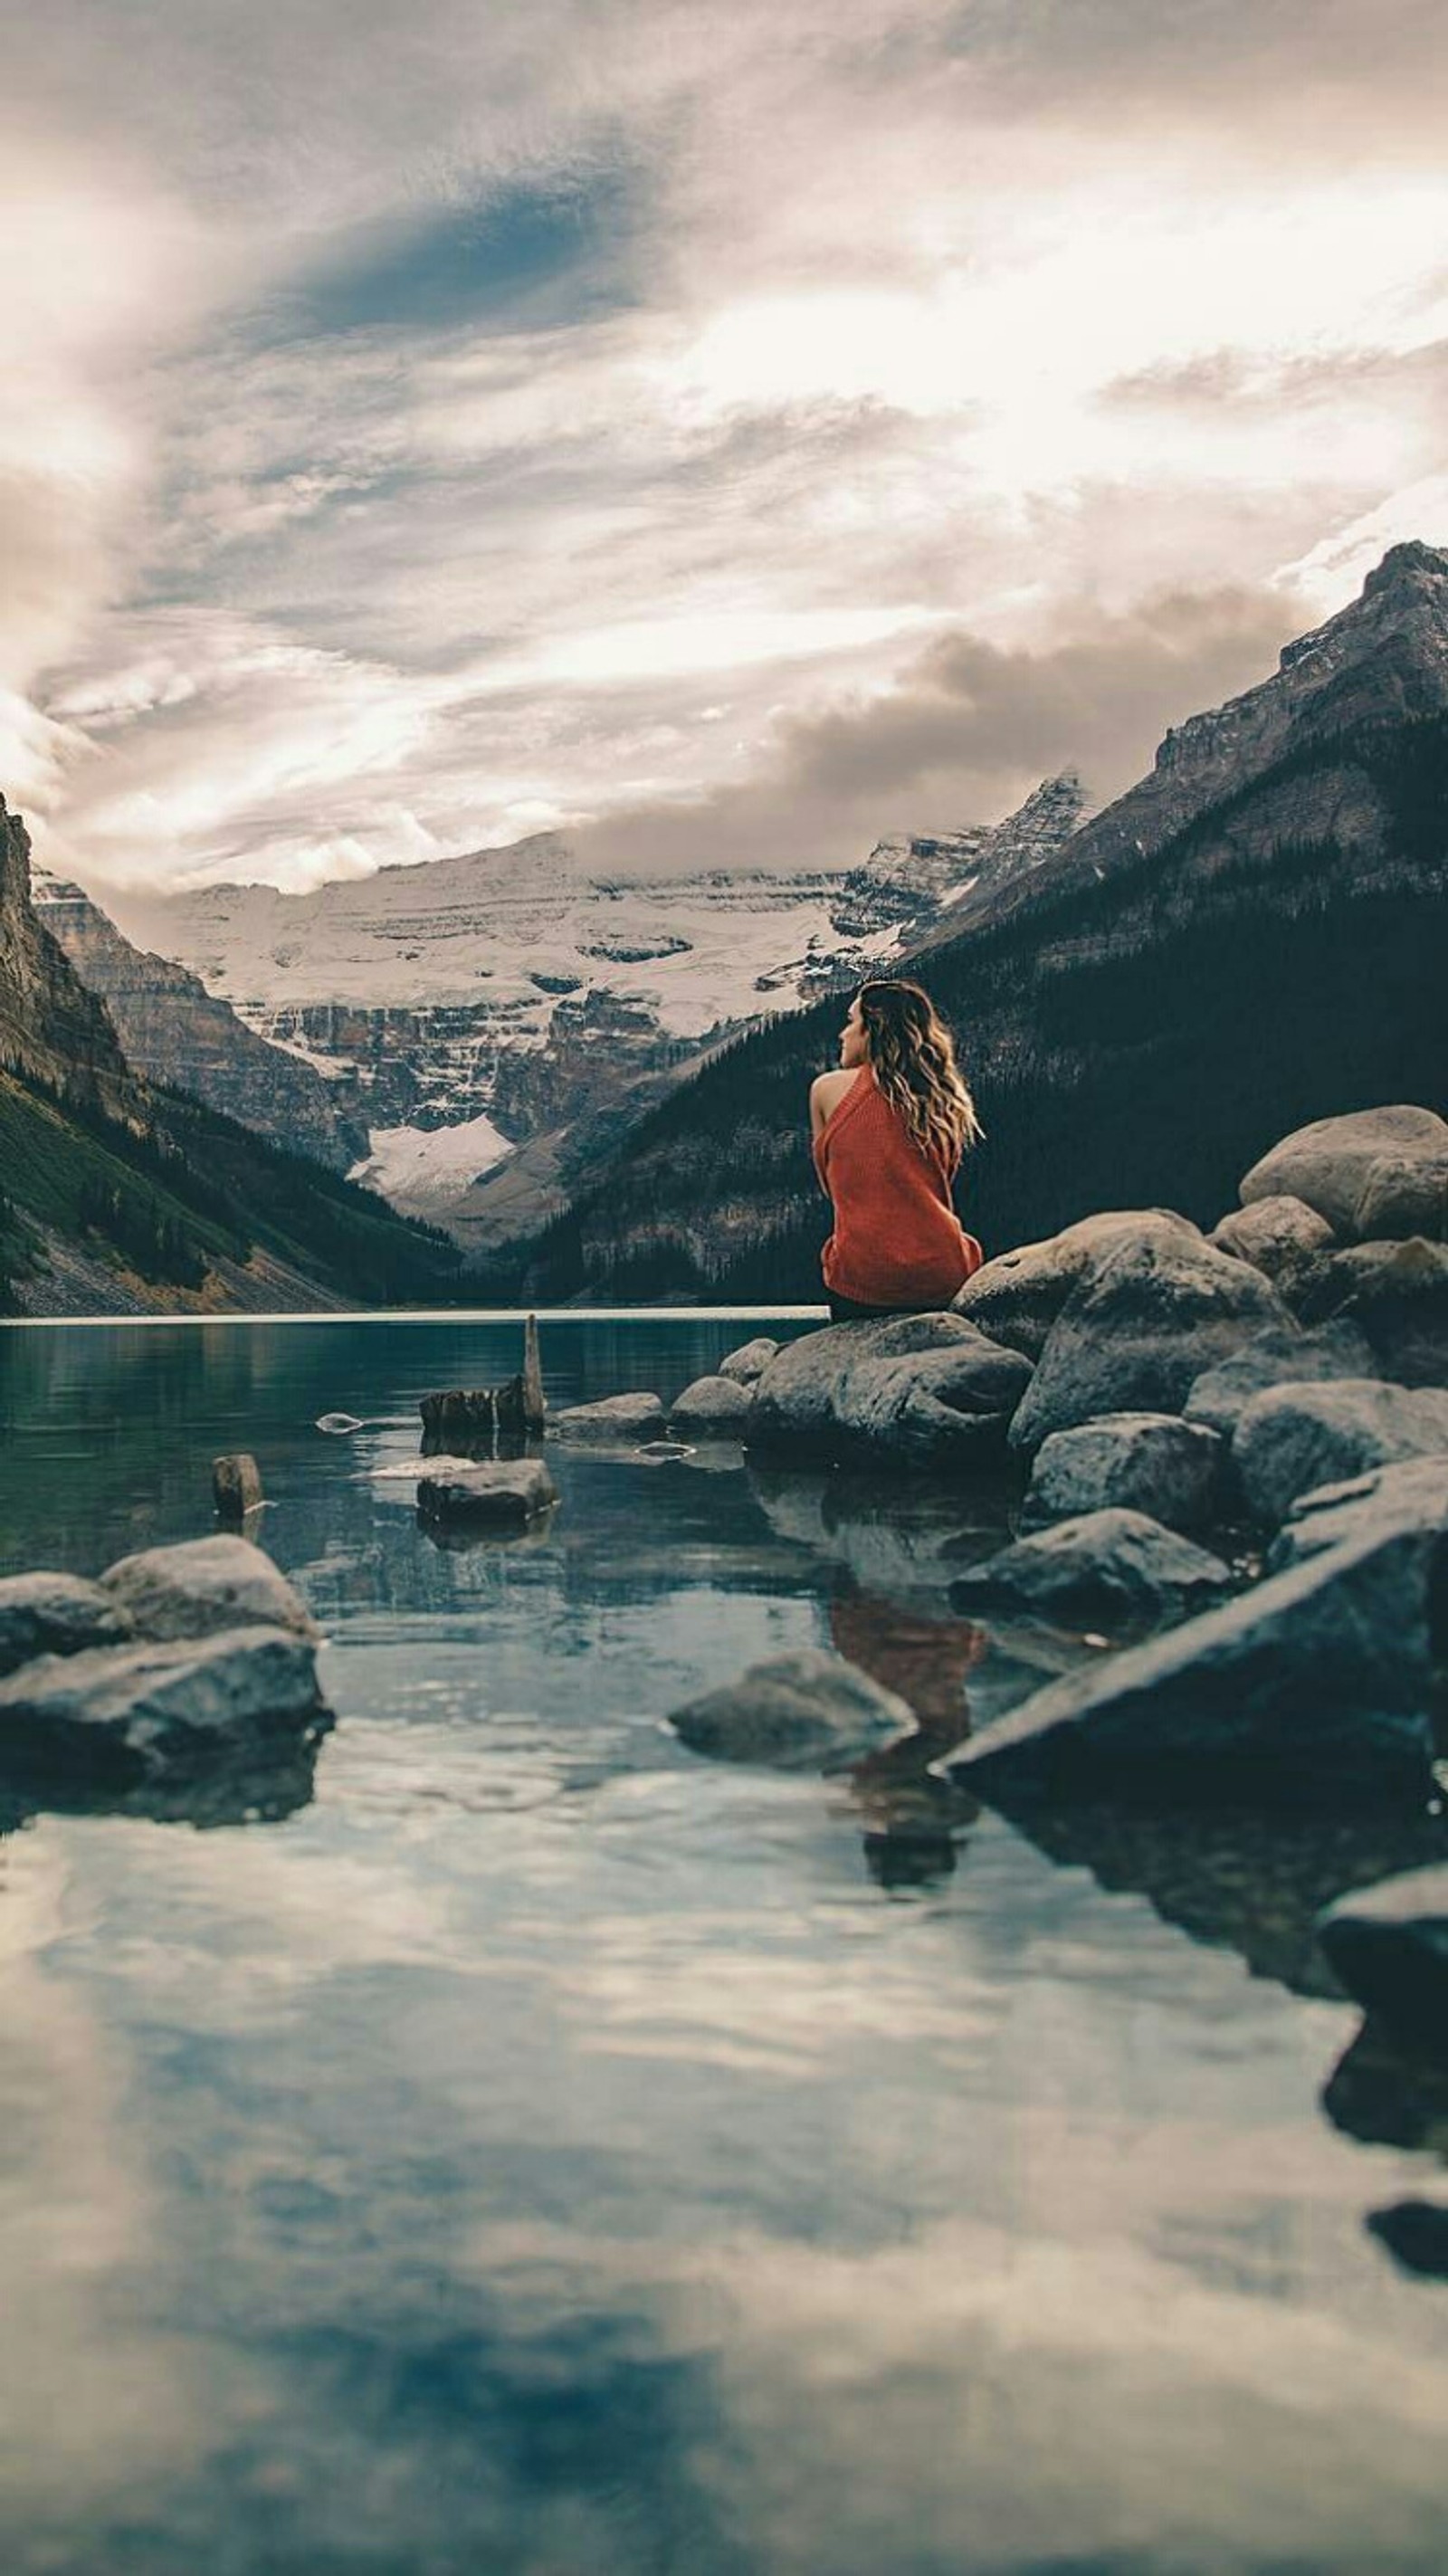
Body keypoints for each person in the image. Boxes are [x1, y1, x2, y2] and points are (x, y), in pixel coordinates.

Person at [809, 978, 985, 1322]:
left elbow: (832, 1187)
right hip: (943, 1275)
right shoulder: (941, 1099)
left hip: (862, 1281)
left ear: (873, 1028)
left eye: (851, 1021)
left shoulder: (826, 1090)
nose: (842, 1034)